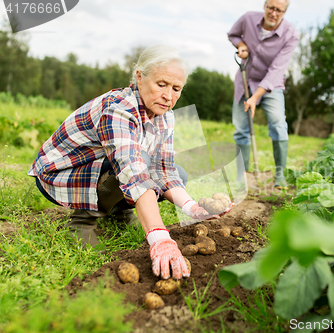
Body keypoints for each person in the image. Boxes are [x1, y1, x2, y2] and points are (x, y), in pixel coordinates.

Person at [28, 45, 229, 280]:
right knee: (140, 161)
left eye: (176, 89)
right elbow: (133, 171)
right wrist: (159, 237)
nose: (168, 96)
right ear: (140, 77)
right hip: (64, 174)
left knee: (178, 174)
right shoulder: (119, 109)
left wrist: (191, 208)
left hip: (103, 168)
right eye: (161, 84)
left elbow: (163, 169)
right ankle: (82, 220)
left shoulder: (165, 114)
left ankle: (120, 212)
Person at [228, 0, 299, 189]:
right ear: (265, 6)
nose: (274, 13)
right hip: (245, 80)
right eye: (271, 8)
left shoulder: (290, 34)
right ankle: (241, 176)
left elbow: (277, 69)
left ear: (285, 12)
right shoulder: (248, 19)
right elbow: (233, 35)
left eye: (279, 10)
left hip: (271, 85)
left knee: (278, 124)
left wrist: (255, 97)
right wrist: (242, 45)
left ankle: (279, 176)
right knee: (241, 129)